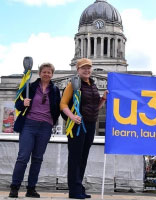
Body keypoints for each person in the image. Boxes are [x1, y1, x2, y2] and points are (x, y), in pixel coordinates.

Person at [9, 63, 61, 198]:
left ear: (52, 74)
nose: (46, 74)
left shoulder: (55, 90)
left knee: (37, 159)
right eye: (44, 72)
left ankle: (31, 188)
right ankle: (15, 187)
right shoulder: (29, 87)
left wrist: (52, 122)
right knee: (23, 157)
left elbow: (58, 108)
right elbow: (17, 104)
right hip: (29, 125)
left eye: (49, 72)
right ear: (39, 73)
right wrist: (23, 103)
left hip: (45, 126)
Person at [60, 58, 107, 199]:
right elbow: (63, 104)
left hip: (90, 124)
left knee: (83, 157)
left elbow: (94, 107)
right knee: (75, 157)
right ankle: (74, 190)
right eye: (83, 68)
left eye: (89, 68)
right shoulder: (73, 83)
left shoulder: (92, 84)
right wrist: (72, 117)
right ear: (78, 69)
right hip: (77, 126)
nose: (86, 70)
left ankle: (79, 187)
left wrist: (103, 99)